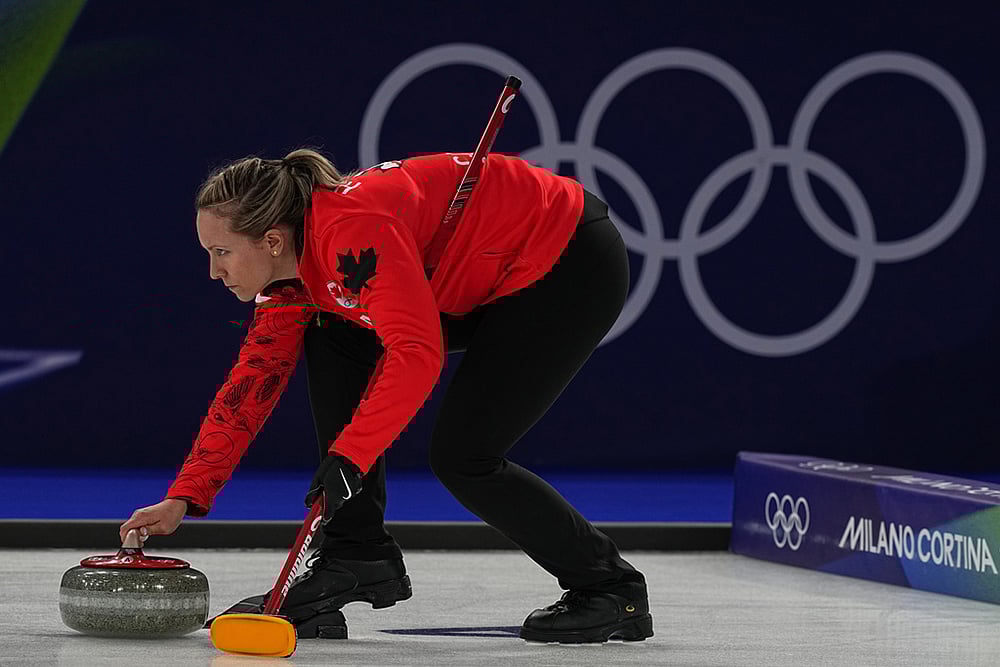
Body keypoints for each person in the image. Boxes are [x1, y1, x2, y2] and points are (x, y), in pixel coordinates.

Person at [119, 148, 652, 643]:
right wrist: (184, 495)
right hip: (476, 271)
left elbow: (417, 353)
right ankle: (357, 553)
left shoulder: (351, 235)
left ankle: (610, 588)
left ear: (272, 240)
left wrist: (351, 454)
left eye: (221, 252)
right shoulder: (292, 281)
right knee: (333, 331)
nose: (214, 271)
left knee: (465, 457)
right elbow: (250, 385)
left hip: (564, 261)